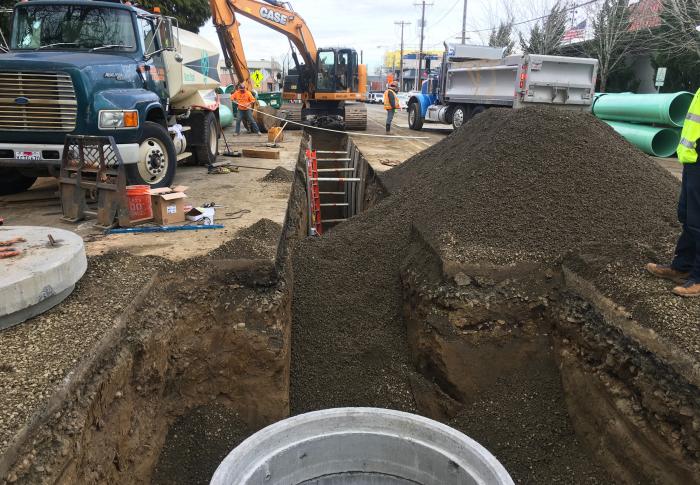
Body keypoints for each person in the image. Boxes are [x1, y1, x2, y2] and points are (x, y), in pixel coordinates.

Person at [646, 88, 700, 297]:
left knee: (698, 221)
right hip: (692, 159)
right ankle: (682, 266)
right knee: (688, 217)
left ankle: (698, 277)